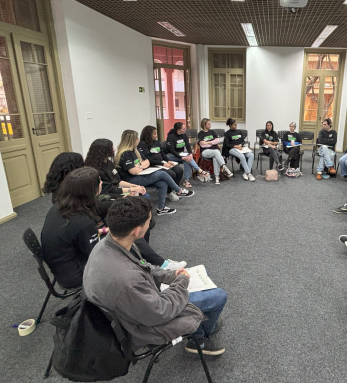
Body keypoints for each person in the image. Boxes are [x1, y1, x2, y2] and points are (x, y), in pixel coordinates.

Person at [84, 196, 228, 355]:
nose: (150, 225)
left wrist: (170, 275)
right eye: (148, 222)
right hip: (143, 326)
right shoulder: (128, 280)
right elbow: (160, 312)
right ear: (137, 230)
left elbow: (142, 266)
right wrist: (180, 282)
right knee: (219, 296)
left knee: (199, 277)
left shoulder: (108, 243)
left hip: (135, 306)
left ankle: (199, 330)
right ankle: (200, 337)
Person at [41, 167, 185, 290]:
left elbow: (77, 237)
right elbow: (98, 256)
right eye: (99, 181)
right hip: (76, 274)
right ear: (89, 189)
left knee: (127, 237)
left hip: (63, 264)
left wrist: (106, 231)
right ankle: (151, 280)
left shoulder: (59, 207)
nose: (102, 183)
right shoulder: (82, 222)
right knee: (129, 244)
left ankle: (156, 267)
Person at [116, 130, 193, 216]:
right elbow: (133, 171)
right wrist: (141, 166)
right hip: (130, 180)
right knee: (162, 174)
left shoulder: (135, 150)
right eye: (136, 138)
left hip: (141, 175)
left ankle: (161, 208)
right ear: (131, 140)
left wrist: (139, 166)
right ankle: (179, 190)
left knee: (162, 183)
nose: (138, 140)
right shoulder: (125, 154)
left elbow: (147, 162)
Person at [139, 125, 186, 201]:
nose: (156, 135)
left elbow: (162, 154)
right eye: (154, 134)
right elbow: (148, 159)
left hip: (162, 163)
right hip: (153, 165)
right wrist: (163, 164)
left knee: (179, 170)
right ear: (148, 135)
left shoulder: (156, 142)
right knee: (172, 174)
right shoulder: (142, 144)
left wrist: (168, 161)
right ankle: (169, 192)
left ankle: (174, 189)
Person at [165, 122, 210, 187]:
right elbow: (172, 150)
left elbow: (188, 146)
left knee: (187, 160)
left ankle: (186, 181)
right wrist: (182, 157)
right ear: (178, 130)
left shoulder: (184, 135)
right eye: (183, 129)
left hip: (181, 154)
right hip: (170, 156)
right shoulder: (171, 137)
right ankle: (200, 170)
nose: (185, 130)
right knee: (186, 158)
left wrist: (190, 154)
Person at [198, 118, 233, 185]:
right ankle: (224, 167)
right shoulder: (200, 134)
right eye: (209, 124)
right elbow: (202, 145)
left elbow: (218, 141)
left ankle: (217, 177)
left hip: (213, 151)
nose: (210, 125)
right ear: (204, 125)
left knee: (215, 158)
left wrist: (208, 142)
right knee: (216, 152)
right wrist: (212, 142)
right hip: (205, 152)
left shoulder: (212, 132)